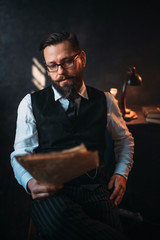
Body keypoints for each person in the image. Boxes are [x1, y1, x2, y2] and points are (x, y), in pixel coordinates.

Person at [11, 32, 134, 240]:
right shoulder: (29, 104)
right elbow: (20, 154)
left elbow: (124, 140)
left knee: (106, 222)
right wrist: (30, 182)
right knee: (59, 220)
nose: (60, 71)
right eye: (52, 65)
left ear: (82, 59)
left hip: (96, 190)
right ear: (47, 67)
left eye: (67, 61)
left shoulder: (105, 100)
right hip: (52, 195)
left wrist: (121, 173)